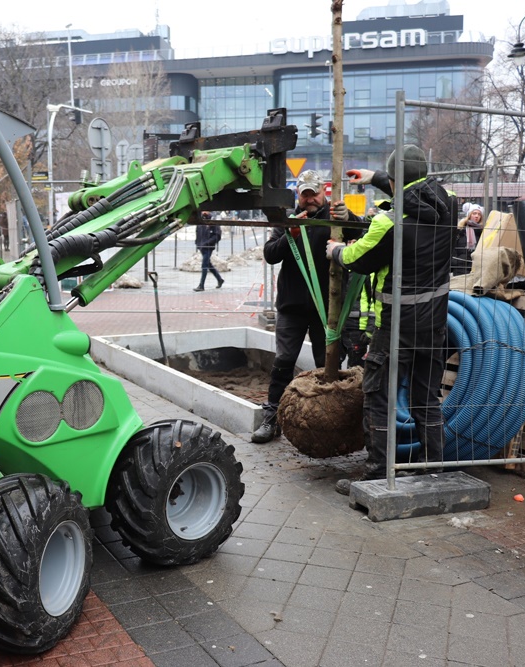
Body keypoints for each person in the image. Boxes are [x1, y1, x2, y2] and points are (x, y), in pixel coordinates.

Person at [329, 145, 455, 492]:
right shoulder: (450, 204)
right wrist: (374, 178)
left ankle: (376, 474)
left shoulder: (389, 222)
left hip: (395, 327)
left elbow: (359, 258)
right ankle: (433, 471)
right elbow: (416, 188)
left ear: (396, 180)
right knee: (425, 399)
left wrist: (336, 251)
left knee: (379, 397)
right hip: (434, 325)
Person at [251, 170, 362, 444]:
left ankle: (332, 420)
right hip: (292, 306)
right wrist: (291, 235)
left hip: (329, 307)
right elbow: (270, 254)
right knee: (283, 361)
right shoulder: (290, 220)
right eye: (305, 195)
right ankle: (272, 416)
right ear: (299, 196)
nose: (310, 200)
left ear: (323, 191)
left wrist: (349, 218)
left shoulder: (335, 217)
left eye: (314, 194)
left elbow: (365, 231)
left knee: (327, 364)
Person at [194, 212, 224, 291]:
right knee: (208, 265)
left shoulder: (213, 222)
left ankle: (201, 285)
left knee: (204, 265)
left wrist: (207, 243)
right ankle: (220, 279)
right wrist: (198, 243)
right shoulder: (200, 220)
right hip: (202, 247)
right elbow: (198, 233)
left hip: (208, 247)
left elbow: (217, 236)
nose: (204, 212)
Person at [452, 203, 484, 275]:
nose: (477, 216)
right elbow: (452, 246)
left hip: (476, 267)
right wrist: (455, 262)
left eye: (479, 214)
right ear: (469, 215)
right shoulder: (460, 230)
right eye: (474, 213)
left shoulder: (482, 232)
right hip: (460, 267)